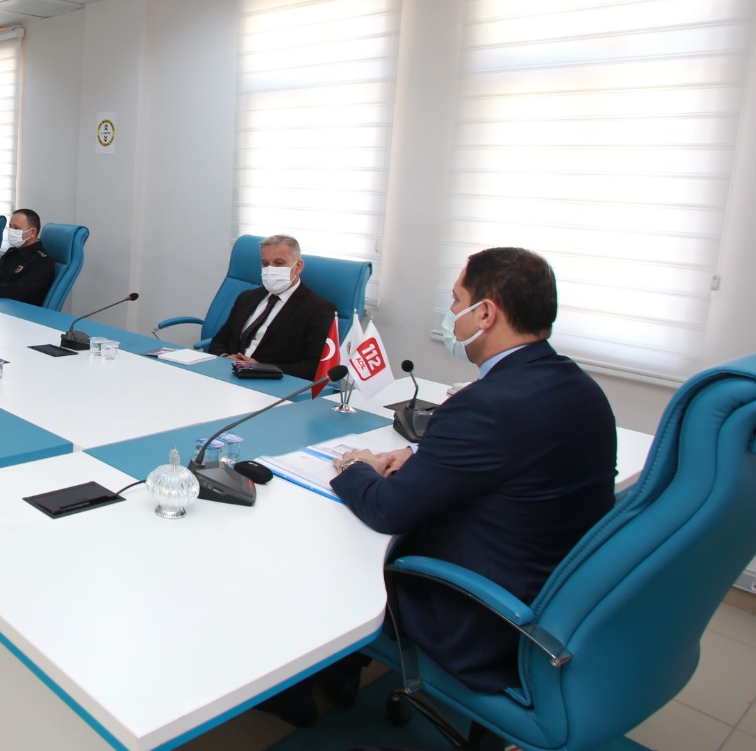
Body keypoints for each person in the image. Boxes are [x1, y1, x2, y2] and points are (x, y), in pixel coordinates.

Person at [329, 247, 616, 693]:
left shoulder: (485, 405)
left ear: (486, 314)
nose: (452, 313)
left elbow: (387, 509)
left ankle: (319, 686)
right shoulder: (580, 387)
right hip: (557, 601)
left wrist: (354, 467)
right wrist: (423, 459)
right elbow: (518, 463)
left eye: (457, 300)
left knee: (341, 558)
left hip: (482, 619)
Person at [207, 235, 337, 380]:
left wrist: (262, 368)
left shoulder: (319, 309)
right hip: (228, 373)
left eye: (279, 263)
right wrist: (225, 357)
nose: (271, 269)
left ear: (298, 266)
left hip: (272, 382)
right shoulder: (247, 297)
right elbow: (220, 339)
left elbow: (314, 366)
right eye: (265, 263)